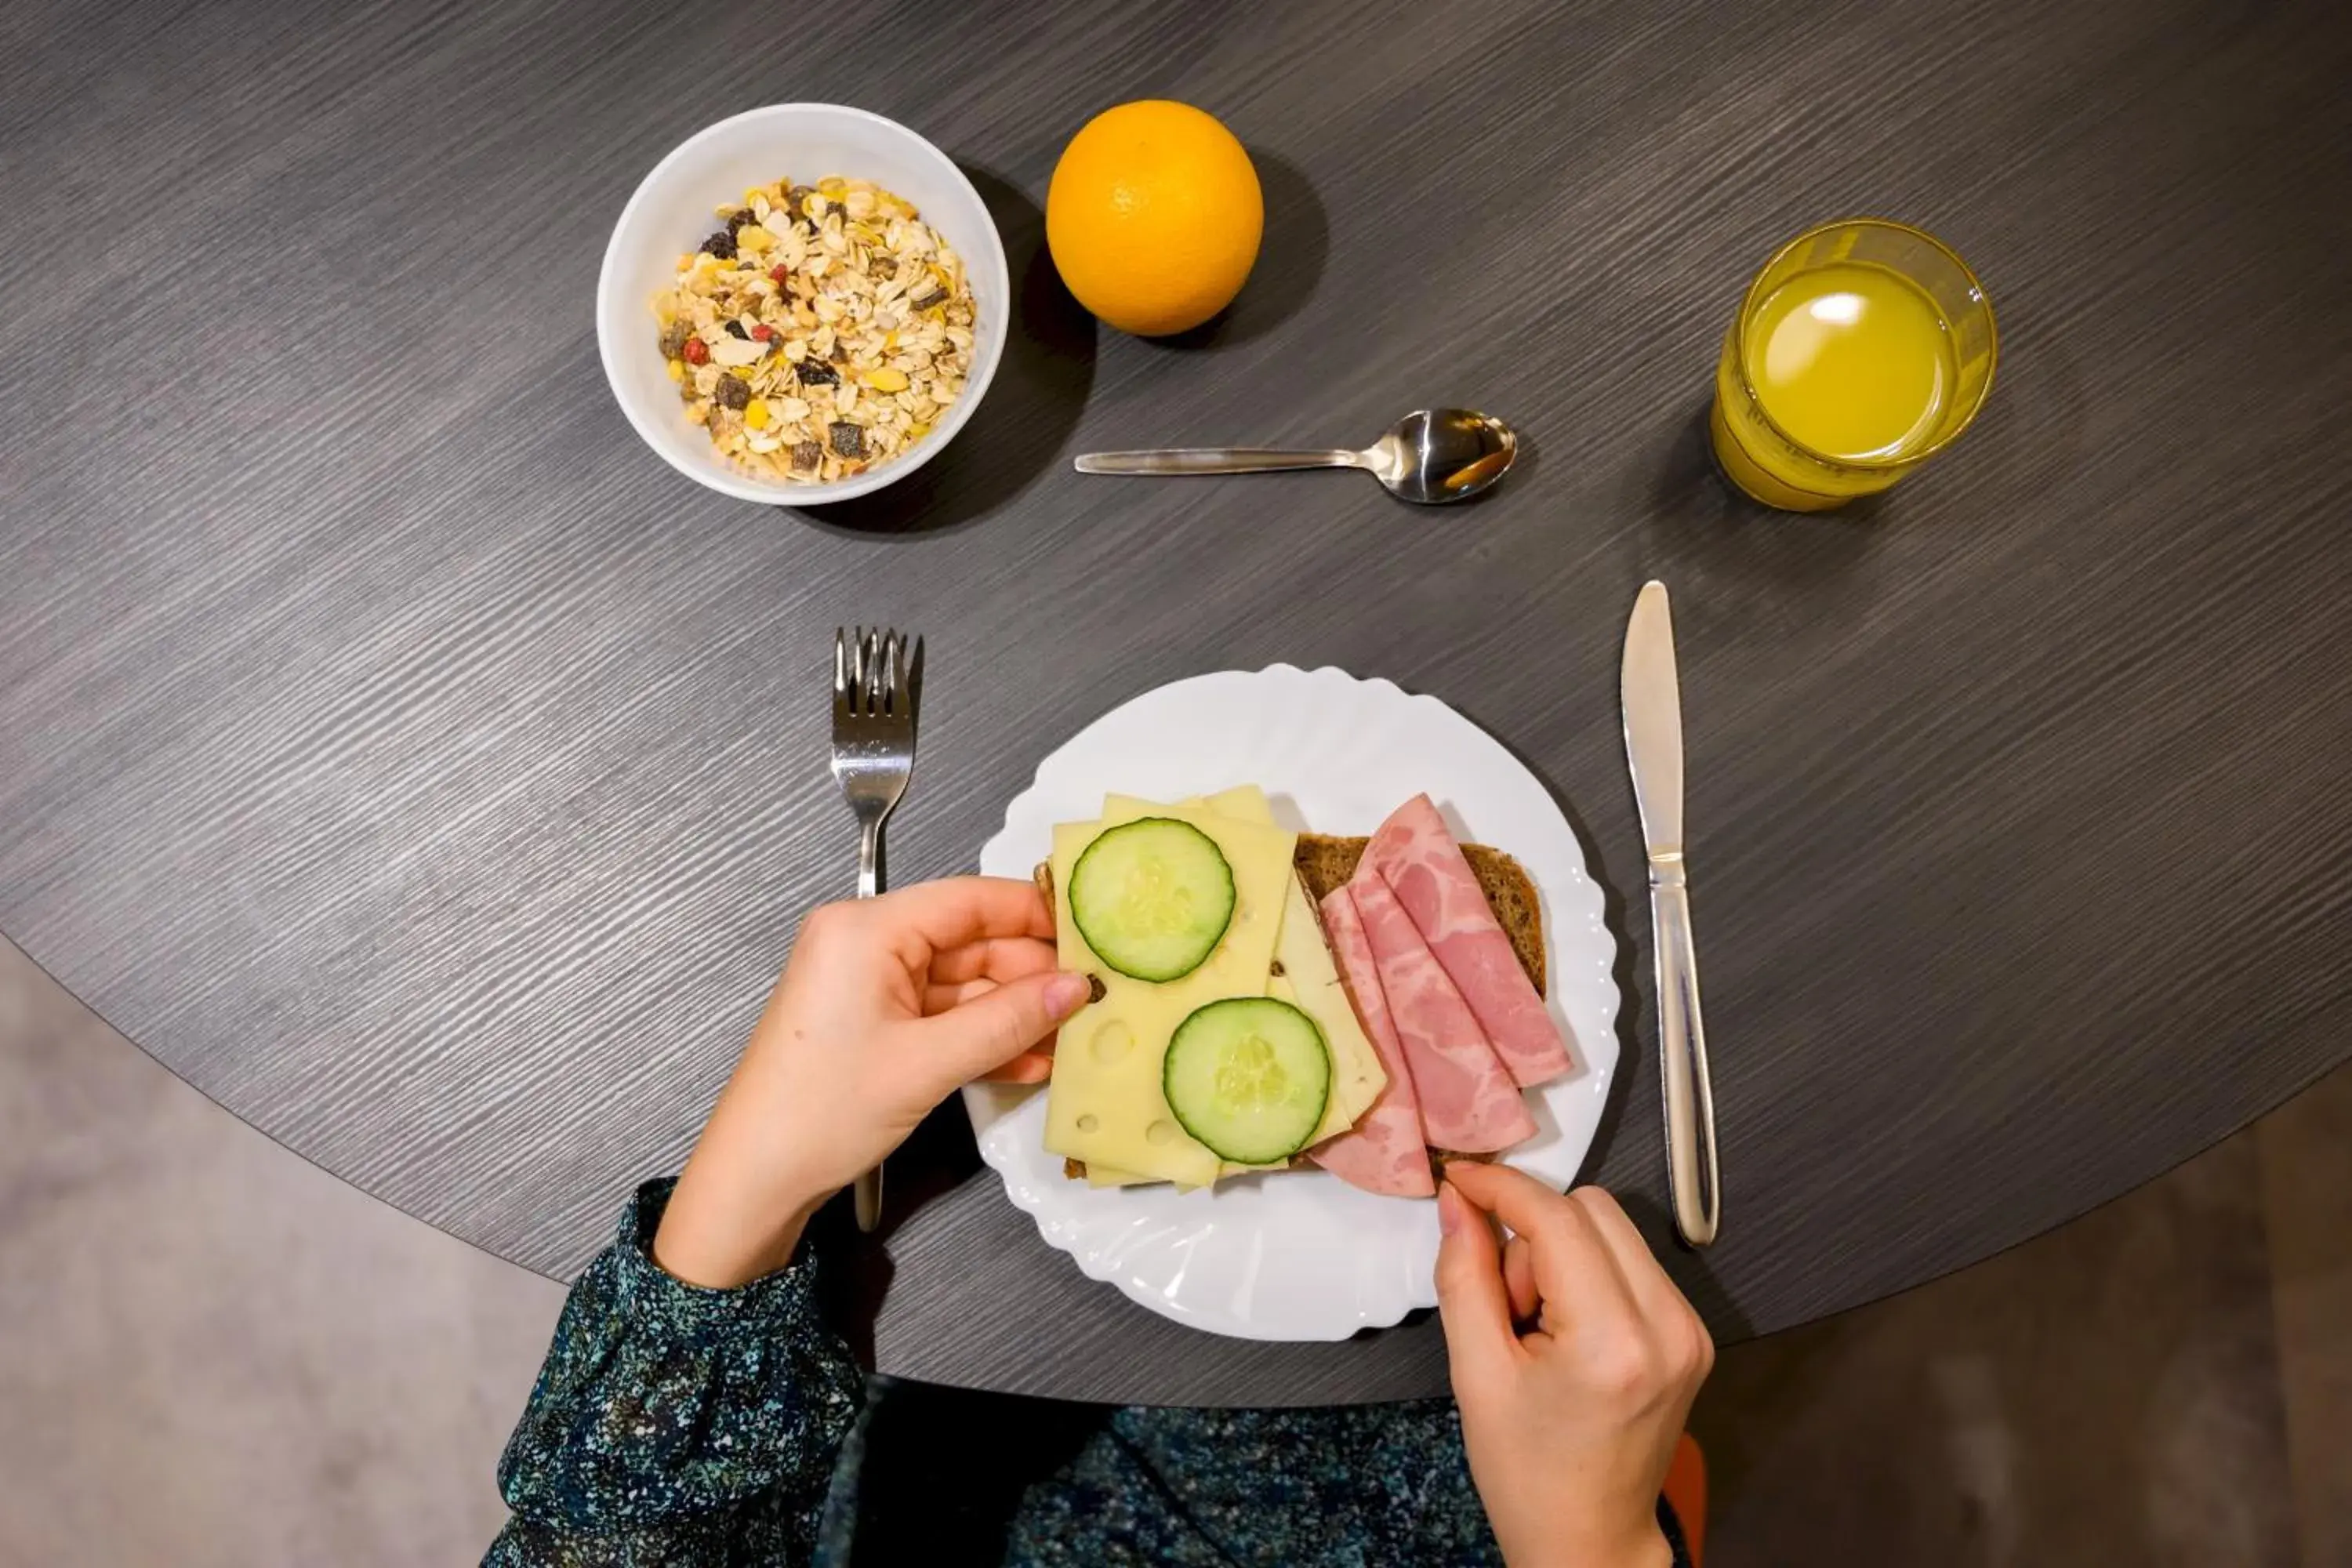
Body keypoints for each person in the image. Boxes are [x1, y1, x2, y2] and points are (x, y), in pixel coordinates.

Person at [485, 877, 1712, 1566]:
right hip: (1452, 1481)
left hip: (882, 1446)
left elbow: (604, 1546)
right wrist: (1591, 1552)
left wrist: (738, 1202)